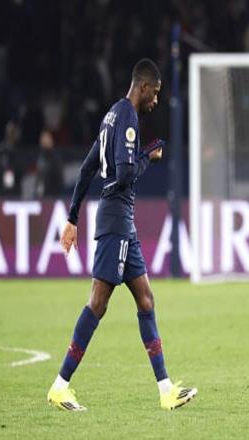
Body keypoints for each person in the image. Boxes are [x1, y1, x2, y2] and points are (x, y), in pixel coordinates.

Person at [47, 59, 197, 412]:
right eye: (155, 93)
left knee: (146, 300)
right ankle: (59, 386)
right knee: (98, 303)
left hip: (122, 223)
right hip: (115, 220)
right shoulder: (127, 117)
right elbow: (126, 172)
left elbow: (87, 168)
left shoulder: (110, 116)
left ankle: (165, 391)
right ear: (142, 87)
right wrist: (149, 156)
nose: (156, 101)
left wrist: (72, 217)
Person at [0, 121, 23, 199]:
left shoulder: (17, 151)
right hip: (2, 193)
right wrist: (0, 188)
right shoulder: (0, 151)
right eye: (15, 131)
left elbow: (22, 171)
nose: (18, 134)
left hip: (16, 193)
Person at [34, 129, 64, 198]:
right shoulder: (40, 156)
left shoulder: (55, 157)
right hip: (41, 195)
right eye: (42, 138)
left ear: (51, 140)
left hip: (53, 195)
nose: (43, 141)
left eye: (46, 138)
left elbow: (60, 178)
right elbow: (39, 176)